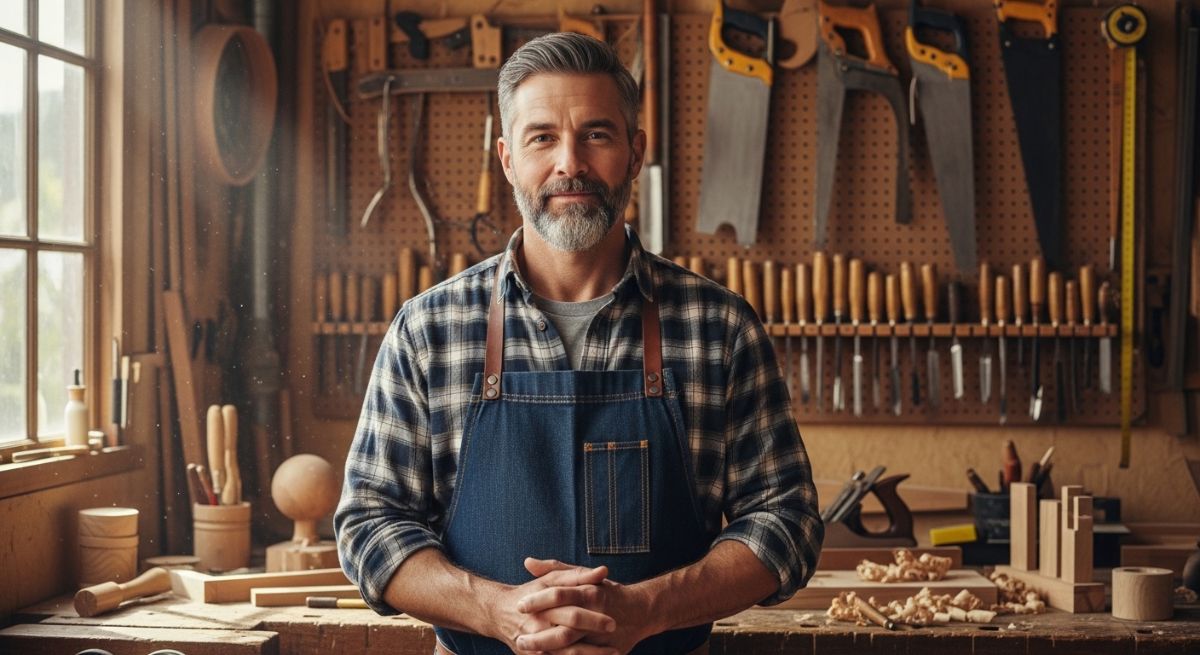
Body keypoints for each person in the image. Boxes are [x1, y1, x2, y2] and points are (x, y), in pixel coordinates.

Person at [335, 32, 823, 655]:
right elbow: (367, 524)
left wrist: (647, 609)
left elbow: (788, 523)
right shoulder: (430, 330)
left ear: (634, 150)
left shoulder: (717, 328)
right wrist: (496, 611)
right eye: (543, 138)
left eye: (596, 134)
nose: (570, 162)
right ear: (508, 160)